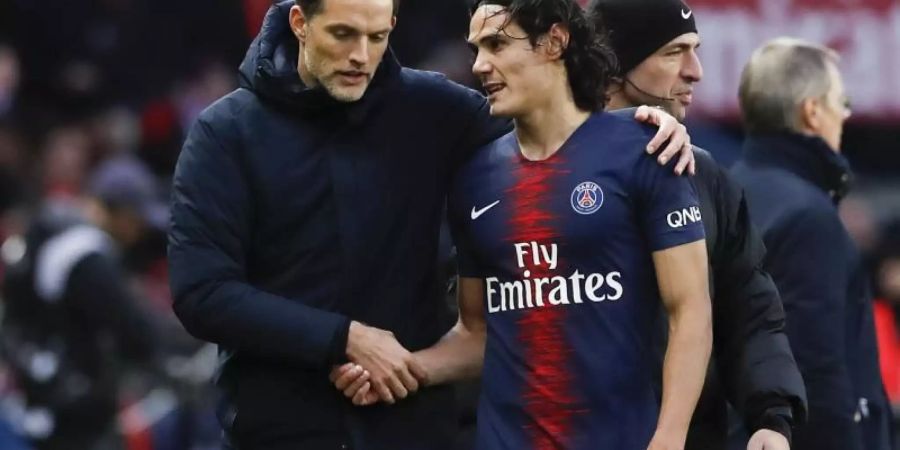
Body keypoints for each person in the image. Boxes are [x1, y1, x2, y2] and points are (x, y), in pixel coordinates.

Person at [167, 0, 693, 448]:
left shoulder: (435, 110)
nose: (361, 56)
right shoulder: (225, 133)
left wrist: (639, 123)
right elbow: (203, 293)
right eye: (343, 34)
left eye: (377, 36)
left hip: (412, 428)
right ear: (300, 23)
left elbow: (553, 122)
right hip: (279, 431)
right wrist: (345, 338)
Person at [338, 0, 712, 448]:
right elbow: (478, 334)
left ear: (555, 41)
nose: (479, 65)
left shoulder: (643, 151)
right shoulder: (475, 179)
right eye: (476, 48)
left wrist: (670, 437)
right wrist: (399, 369)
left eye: (496, 44)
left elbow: (689, 310)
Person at [583, 1, 809, 449]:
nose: (696, 70)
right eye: (673, 52)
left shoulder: (702, 176)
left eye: (695, 49)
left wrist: (770, 416)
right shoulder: (541, 170)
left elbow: (750, 310)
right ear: (613, 65)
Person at [731, 37, 893, 450]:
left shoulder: (727, 190)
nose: (845, 115)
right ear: (812, 110)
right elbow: (816, 373)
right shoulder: (808, 216)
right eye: (842, 102)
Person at [0, 156, 162, 450]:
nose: (139, 230)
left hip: (39, 393)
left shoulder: (57, 228)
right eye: (137, 218)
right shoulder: (86, 254)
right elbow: (134, 330)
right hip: (71, 410)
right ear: (119, 210)